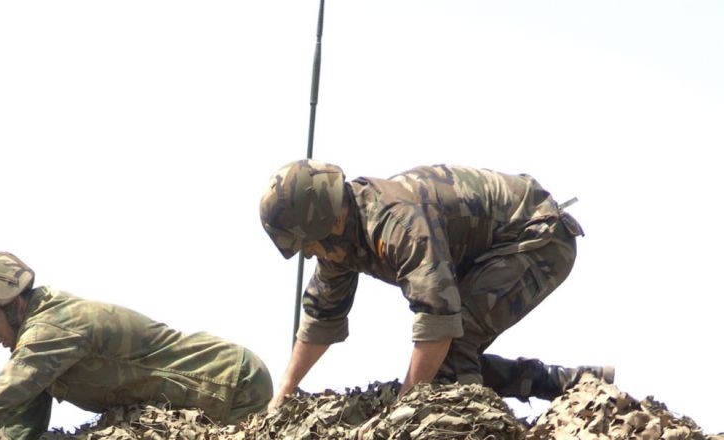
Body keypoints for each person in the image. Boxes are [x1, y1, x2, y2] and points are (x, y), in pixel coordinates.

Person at [260, 160, 613, 405]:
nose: (308, 254)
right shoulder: (339, 242)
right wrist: (286, 391)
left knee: (451, 351)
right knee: (447, 361)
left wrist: (404, 408)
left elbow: (438, 322)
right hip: (494, 251)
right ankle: (572, 384)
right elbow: (322, 315)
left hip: (538, 238)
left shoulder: (396, 223)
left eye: (307, 244)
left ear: (328, 220)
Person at [0, 251, 273, 440]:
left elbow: (2, 397)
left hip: (230, 386)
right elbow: (22, 426)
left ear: (10, 301)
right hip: (204, 403)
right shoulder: (39, 348)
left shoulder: (53, 328)